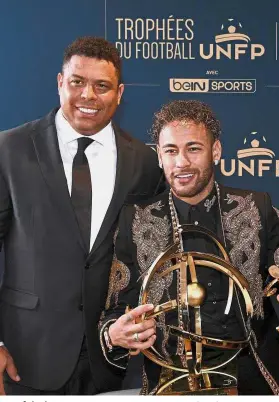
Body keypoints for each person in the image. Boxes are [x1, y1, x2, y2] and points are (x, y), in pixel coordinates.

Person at [0, 36, 164, 395]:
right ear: (60, 83)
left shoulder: (146, 162)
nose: (88, 95)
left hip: (114, 360)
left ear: (119, 94)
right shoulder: (9, 149)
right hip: (25, 354)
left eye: (101, 86)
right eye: (77, 82)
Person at [99, 100, 279, 395]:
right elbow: (114, 309)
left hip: (251, 378)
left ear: (215, 151)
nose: (181, 162)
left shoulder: (256, 208)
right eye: (171, 151)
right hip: (168, 380)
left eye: (194, 148)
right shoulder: (136, 219)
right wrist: (114, 334)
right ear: (159, 156)